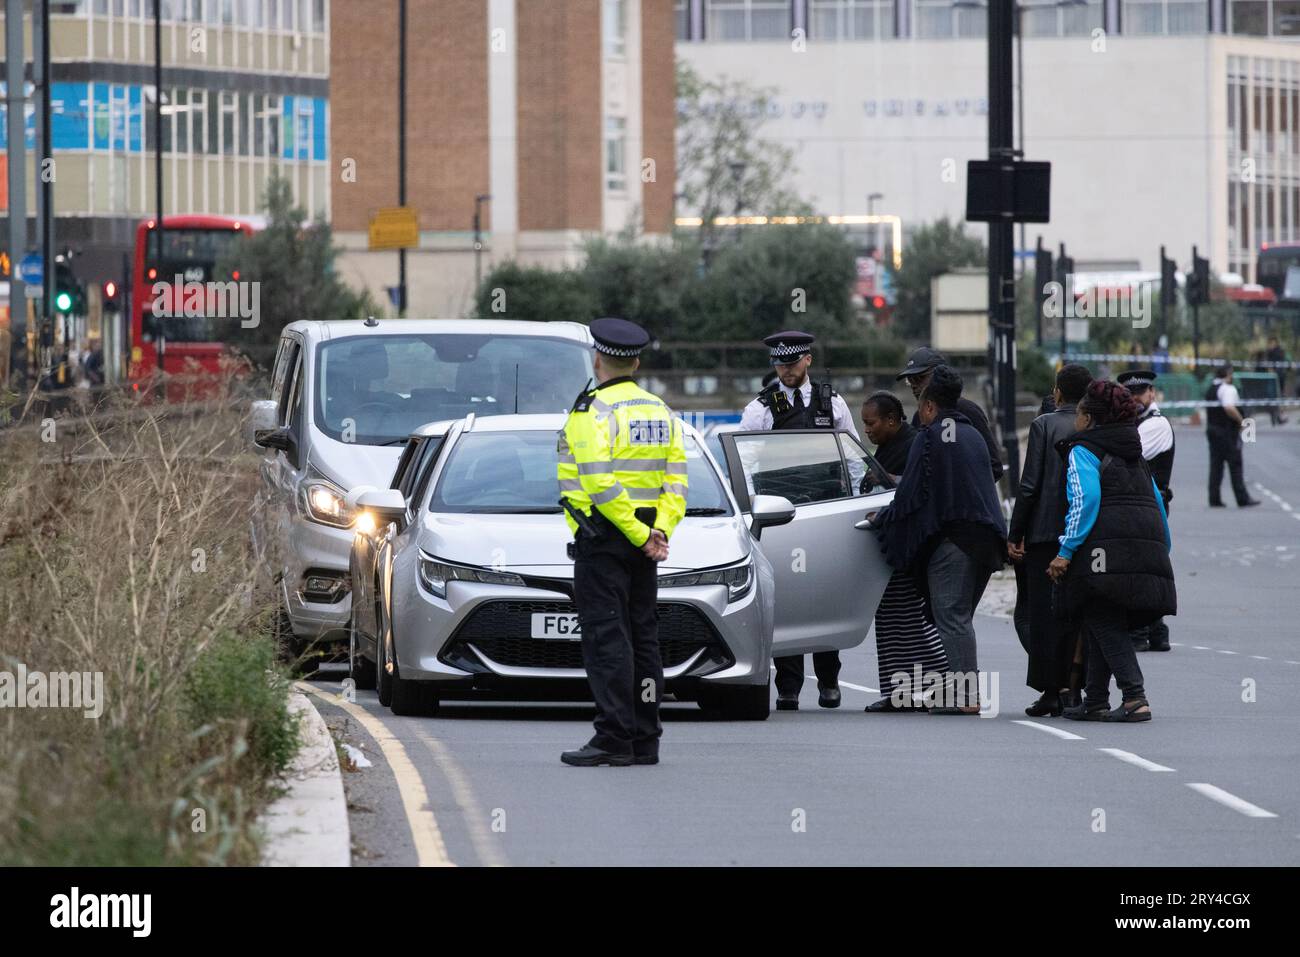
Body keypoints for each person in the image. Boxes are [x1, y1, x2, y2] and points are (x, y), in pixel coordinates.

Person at [558, 317, 688, 767]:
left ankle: (614, 737)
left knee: (608, 639)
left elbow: (599, 484)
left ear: (598, 361)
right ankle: (645, 737)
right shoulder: (659, 410)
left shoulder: (590, 412)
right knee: (643, 639)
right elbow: (677, 479)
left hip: (605, 538)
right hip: (647, 539)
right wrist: (660, 532)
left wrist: (635, 533)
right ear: (634, 362)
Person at [876, 366, 1007, 715]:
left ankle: (967, 697)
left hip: (956, 541)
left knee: (951, 617)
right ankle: (960, 692)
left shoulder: (930, 436)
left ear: (930, 407)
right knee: (955, 615)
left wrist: (884, 519)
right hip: (986, 539)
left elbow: (911, 494)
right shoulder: (972, 434)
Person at [739, 330, 855, 711]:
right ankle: (788, 687)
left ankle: (829, 681)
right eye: (779, 364)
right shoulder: (759, 409)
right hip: (780, 516)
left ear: (807, 360)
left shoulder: (832, 403)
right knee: (785, 598)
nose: (785, 370)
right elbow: (746, 462)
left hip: (826, 512)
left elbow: (852, 458)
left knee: (824, 595)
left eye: (791, 363)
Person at [1050, 380, 1176, 722]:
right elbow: (1157, 504)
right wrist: (1163, 548)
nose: (1075, 419)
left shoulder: (1082, 450)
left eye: (1079, 413)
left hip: (1103, 552)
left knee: (1101, 619)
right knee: (1101, 618)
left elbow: (1085, 500)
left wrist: (1066, 550)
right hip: (1144, 547)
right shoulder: (1134, 452)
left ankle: (1135, 697)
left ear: (1090, 418)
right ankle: (1095, 700)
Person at [1008, 363, 1093, 716]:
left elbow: (1029, 486)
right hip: (1081, 534)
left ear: (1057, 392)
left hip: (1044, 534)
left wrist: (1016, 533)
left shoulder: (1044, 425)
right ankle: (1075, 687)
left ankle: (1050, 690)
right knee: (1076, 614)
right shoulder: (1091, 424)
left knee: (1043, 615)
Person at [860, 390, 948, 712]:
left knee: (916, 627)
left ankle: (945, 685)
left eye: (871, 424)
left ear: (893, 420)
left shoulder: (914, 445)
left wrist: (885, 480)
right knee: (891, 625)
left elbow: (918, 488)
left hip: (912, 550)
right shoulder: (887, 448)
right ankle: (900, 693)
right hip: (892, 549)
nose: (867, 430)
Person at [1117, 368, 1175, 653]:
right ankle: (1155, 631)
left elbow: (1130, 452)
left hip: (1150, 504)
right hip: (1145, 504)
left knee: (1142, 566)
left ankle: (1143, 631)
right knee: (1147, 565)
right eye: (1129, 394)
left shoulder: (1156, 424)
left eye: (1140, 393)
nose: (1135, 398)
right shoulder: (1137, 422)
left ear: (1151, 393)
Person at [895, 347, 1003, 482]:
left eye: (919, 378)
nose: (914, 386)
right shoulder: (919, 416)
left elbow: (994, 467)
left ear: (940, 375)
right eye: (910, 380)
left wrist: (956, 492)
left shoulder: (967, 410)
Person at [1205, 363, 1261, 508]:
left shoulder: (1211, 388)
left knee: (1216, 466)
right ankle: (1242, 498)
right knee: (1235, 464)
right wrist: (1241, 421)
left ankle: (1214, 498)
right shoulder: (1227, 389)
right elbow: (1229, 407)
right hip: (1227, 431)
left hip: (1213, 430)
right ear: (1228, 374)